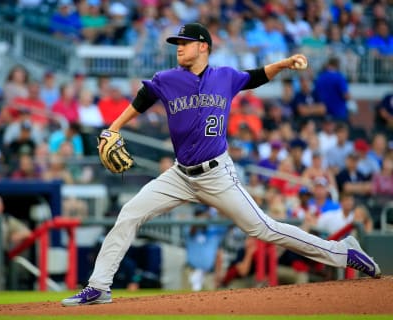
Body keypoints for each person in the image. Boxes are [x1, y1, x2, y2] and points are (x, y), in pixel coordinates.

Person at [61, 22, 381, 307]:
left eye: (184, 43)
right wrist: (114, 127)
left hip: (217, 174)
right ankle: (99, 286)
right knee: (130, 213)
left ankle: (343, 252)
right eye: (177, 44)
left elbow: (255, 77)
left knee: (264, 228)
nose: (179, 48)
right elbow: (144, 97)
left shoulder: (225, 77)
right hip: (179, 174)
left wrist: (283, 64)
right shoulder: (168, 79)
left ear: (203, 47)